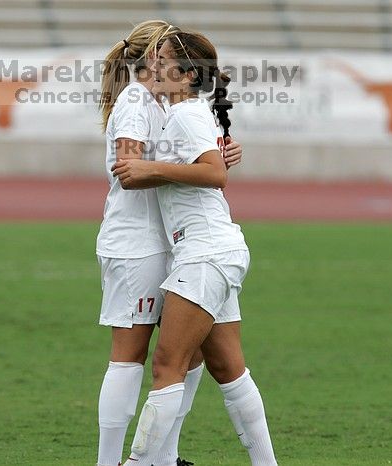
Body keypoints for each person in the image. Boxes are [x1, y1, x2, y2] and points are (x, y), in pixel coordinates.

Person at [111, 30, 278, 466]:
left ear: (185, 75)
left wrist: (147, 166)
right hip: (216, 252)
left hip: (205, 253)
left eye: (163, 60)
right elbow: (208, 166)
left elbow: (214, 175)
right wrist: (155, 168)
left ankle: (138, 464)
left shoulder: (185, 115)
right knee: (229, 370)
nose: (154, 67)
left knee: (167, 367)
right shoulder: (185, 112)